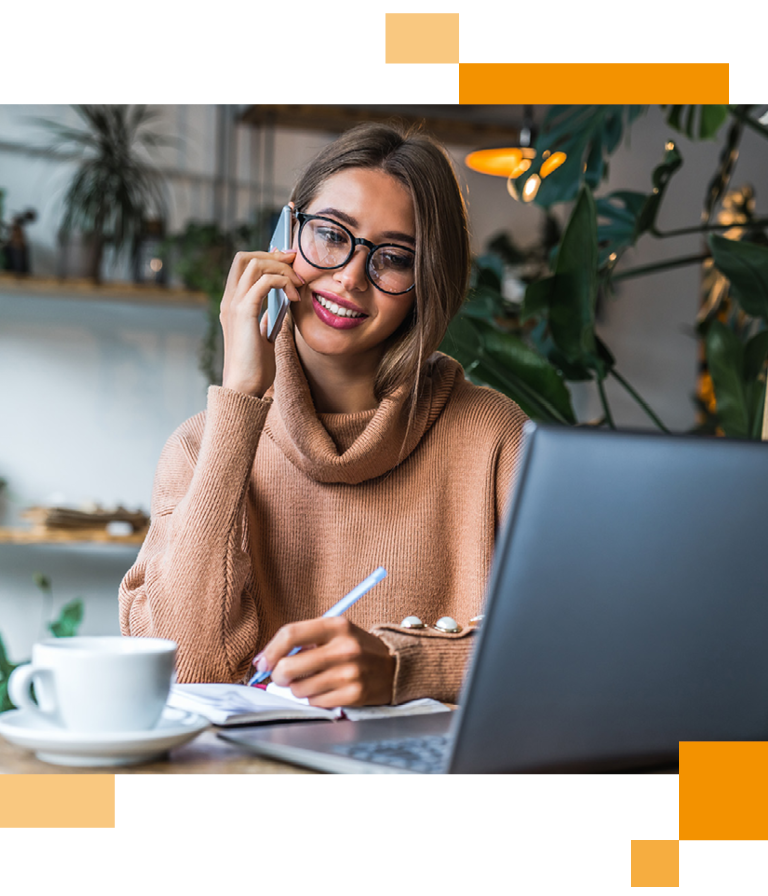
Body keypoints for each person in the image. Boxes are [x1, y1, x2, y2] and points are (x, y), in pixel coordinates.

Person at [119, 122, 528, 707]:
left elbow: (569, 648)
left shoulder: (494, 437)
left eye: (393, 257)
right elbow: (185, 666)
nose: (350, 276)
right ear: (287, 232)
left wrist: (403, 667)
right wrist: (239, 401)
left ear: (428, 280)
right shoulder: (200, 447)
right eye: (332, 235)